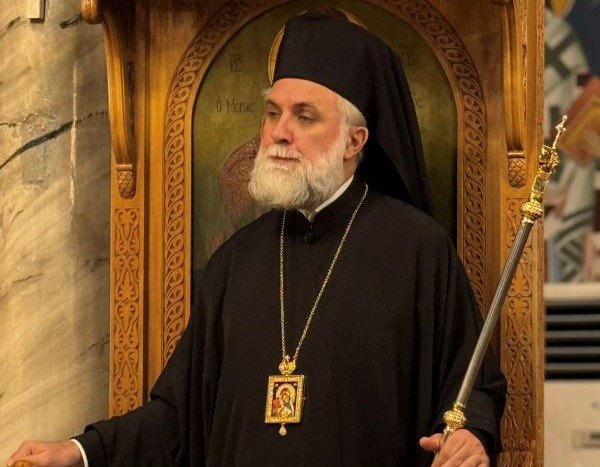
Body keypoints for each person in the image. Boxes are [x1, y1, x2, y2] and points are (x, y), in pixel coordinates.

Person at [8, 10, 505, 467]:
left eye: (304, 116)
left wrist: (471, 435)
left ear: (354, 141)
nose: (279, 132)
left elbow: (468, 385)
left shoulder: (416, 250)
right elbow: (178, 418)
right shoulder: (235, 261)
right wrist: (79, 451)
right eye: (272, 113)